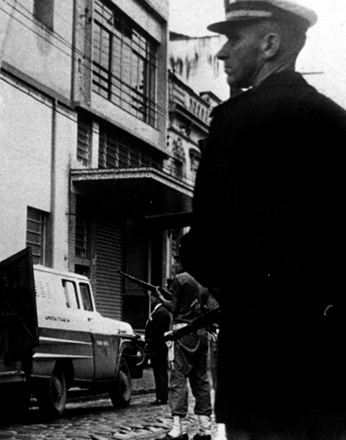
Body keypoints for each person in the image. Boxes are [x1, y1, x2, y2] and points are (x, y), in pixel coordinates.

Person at [180, 1, 346, 439]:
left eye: (234, 39)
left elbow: (207, 251)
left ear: (270, 44)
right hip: (331, 360)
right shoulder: (337, 123)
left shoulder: (233, 123)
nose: (222, 53)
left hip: (258, 359)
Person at [154, 258, 212, 440]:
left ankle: (178, 429)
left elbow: (173, 307)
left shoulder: (180, 279)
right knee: (201, 380)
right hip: (201, 335)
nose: (174, 265)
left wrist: (161, 298)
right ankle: (205, 429)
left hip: (183, 334)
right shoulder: (205, 282)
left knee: (178, 378)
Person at [145, 294, 172, 406]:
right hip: (158, 346)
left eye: (153, 298)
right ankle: (161, 396)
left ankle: (161, 397)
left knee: (160, 371)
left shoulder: (160, 312)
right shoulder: (160, 311)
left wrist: (150, 341)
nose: (151, 300)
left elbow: (157, 330)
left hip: (158, 346)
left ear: (158, 298)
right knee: (160, 371)